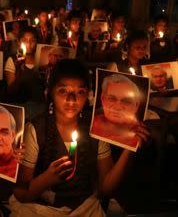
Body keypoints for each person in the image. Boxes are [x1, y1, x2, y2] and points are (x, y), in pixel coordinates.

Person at [10, 59, 150, 216]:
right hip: (41, 209)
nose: (71, 100)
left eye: (80, 92)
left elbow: (106, 188)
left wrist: (129, 149)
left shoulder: (95, 128)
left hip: (84, 207)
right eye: (63, 91)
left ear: (89, 94)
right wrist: (47, 178)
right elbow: (22, 194)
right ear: (50, 92)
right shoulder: (36, 129)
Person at [91, 73, 143, 149]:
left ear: (136, 105)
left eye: (126, 101)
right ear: (103, 99)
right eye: (111, 99)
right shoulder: (90, 122)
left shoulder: (141, 134)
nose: (117, 107)